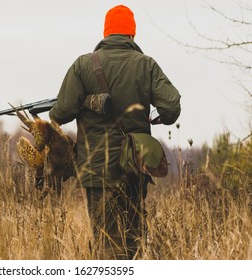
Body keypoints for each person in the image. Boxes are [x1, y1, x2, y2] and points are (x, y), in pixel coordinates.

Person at [49, 5, 181, 259]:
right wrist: (156, 117)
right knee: (133, 239)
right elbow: (172, 107)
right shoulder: (146, 65)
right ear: (132, 35)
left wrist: (83, 102)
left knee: (105, 241)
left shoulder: (83, 65)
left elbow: (59, 114)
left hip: (95, 169)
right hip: (134, 166)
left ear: (106, 34)